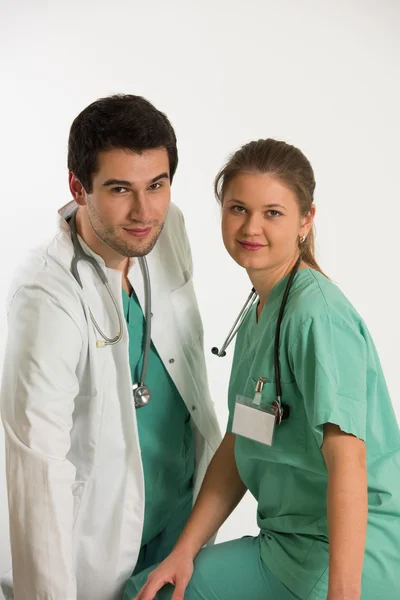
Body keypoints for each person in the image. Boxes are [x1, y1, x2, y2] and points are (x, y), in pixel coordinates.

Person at [126, 138, 400, 600]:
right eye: (238, 208)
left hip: (344, 554)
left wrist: (344, 595)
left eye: (272, 212)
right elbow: (241, 442)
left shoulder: (317, 316)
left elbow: (348, 459)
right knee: (152, 587)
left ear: (305, 220)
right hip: (287, 542)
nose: (251, 227)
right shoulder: (263, 308)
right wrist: (183, 551)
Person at [0, 94, 221, 600]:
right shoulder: (45, 295)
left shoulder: (167, 231)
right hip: (94, 557)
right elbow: (38, 470)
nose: (144, 212)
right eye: (120, 189)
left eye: (157, 185)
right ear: (78, 187)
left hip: (180, 530)